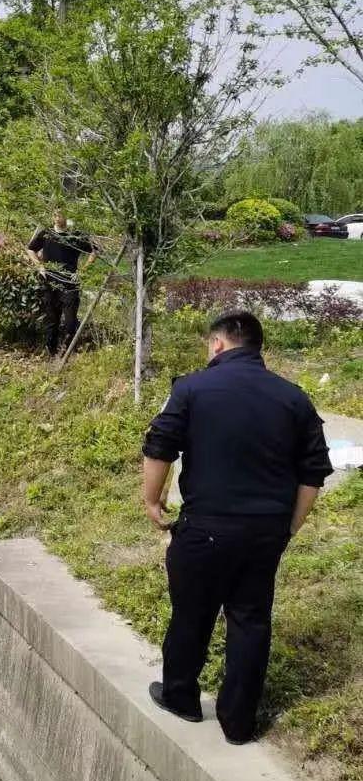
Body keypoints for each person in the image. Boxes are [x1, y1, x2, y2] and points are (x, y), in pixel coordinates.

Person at [142, 310, 332, 745]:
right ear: (258, 347)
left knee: (191, 613)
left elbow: (160, 446)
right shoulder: (294, 398)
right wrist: (288, 529)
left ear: (218, 344)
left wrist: (152, 501)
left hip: (204, 528)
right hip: (264, 532)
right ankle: (238, 723)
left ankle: (181, 698)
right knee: (250, 622)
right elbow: (313, 472)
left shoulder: (190, 388)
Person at [26, 209, 95, 357]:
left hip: (70, 283)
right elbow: (30, 249)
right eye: (54, 215)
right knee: (52, 320)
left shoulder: (75, 236)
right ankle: (51, 353)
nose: (57, 218)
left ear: (67, 216)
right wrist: (40, 266)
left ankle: (67, 352)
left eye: (60, 215)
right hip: (50, 283)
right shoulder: (46, 233)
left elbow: (94, 250)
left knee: (70, 321)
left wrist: (82, 271)